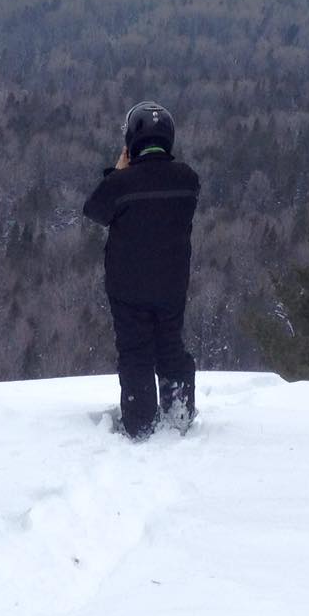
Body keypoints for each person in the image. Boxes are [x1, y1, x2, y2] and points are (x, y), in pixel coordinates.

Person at [82, 99, 200, 439]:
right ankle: (179, 414)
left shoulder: (122, 184)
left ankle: (139, 422)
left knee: (135, 352)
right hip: (172, 283)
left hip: (127, 286)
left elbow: (95, 210)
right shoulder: (187, 180)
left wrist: (119, 172)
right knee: (170, 346)